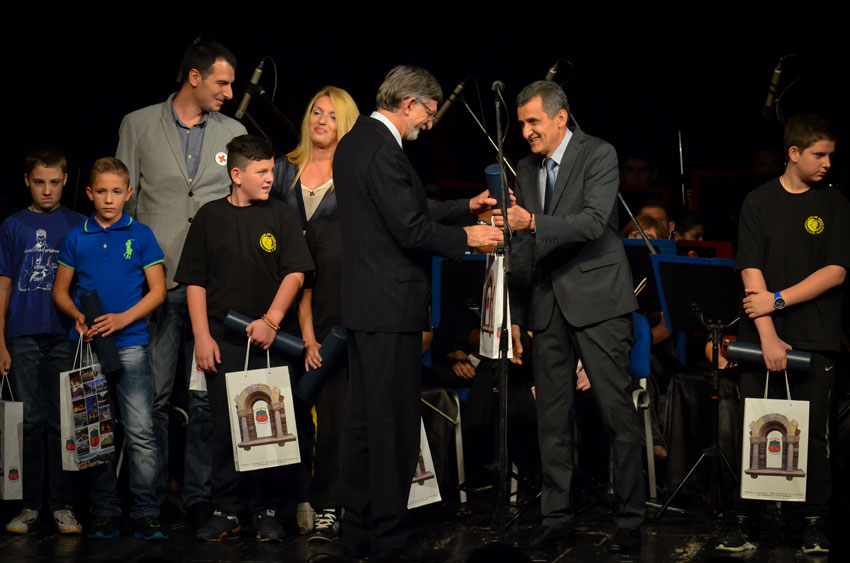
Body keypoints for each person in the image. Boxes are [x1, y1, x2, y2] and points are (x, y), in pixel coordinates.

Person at [334, 65, 503, 560]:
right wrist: (468, 237)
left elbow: (404, 209)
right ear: (408, 103)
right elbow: (409, 229)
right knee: (393, 427)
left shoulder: (356, 142)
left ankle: (358, 531)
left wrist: (465, 206)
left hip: (365, 306)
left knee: (364, 425)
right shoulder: (385, 150)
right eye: (428, 112)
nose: (429, 123)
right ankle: (390, 539)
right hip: (390, 307)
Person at [492, 80, 644, 553]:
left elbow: (594, 222)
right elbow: (522, 247)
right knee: (551, 419)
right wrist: (517, 313)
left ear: (561, 118)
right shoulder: (524, 167)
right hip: (545, 305)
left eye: (533, 122)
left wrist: (533, 222)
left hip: (599, 303)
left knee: (617, 414)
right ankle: (556, 518)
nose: (526, 132)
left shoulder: (599, 154)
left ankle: (630, 520)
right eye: (521, 124)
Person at [115, 39, 247, 529]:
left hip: (211, 288)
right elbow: (124, 206)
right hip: (157, 282)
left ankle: (199, 497)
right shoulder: (138, 124)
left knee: (205, 398)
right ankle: (149, 499)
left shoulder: (233, 131)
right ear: (194, 77)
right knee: (152, 396)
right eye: (222, 83)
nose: (229, 93)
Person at [717, 113, 849, 555]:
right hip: (762, 337)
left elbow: (835, 271)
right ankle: (745, 520)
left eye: (830, 154)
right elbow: (751, 271)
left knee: (813, 434)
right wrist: (768, 335)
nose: (827, 162)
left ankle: (812, 522)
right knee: (757, 429)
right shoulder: (759, 201)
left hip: (816, 336)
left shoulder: (834, 204)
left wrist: (777, 301)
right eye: (819, 154)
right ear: (794, 153)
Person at [174, 135, 314, 542]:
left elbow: (295, 273)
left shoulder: (281, 215)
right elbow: (195, 281)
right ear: (236, 175)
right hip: (225, 341)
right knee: (225, 429)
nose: (270, 177)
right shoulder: (210, 216)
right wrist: (202, 336)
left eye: (271, 170)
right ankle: (227, 508)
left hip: (270, 341)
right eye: (261, 171)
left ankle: (268, 509)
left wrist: (271, 320)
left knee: (271, 428)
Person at [53, 157, 168, 540]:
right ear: (89, 193)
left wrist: (122, 319)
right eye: (101, 191)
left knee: (140, 430)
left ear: (128, 193)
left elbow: (158, 291)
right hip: (89, 347)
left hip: (131, 344)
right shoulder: (77, 236)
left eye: (116, 191)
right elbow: (61, 291)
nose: (108, 199)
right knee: (96, 431)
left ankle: (146, 510)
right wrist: (77, 316)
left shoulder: (142, 234)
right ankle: (105, 509)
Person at [1, 147, 85, 534]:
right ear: (27, 182)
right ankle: (30, 506)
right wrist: (0, 341)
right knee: (30, 423)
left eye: (54, 182)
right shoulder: (12, 226)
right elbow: (3, 285)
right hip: (22, 335)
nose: (47, 190)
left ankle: (63, 505)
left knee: (62, 423)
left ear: (65, 180)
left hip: (64, 334)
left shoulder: (78, 224)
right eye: (39, 182)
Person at [271, 86, 360, 231]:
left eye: (333, 117)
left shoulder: (355, 176)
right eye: (317, 112)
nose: (322, 120)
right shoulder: (280, 169)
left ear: (346, 124)